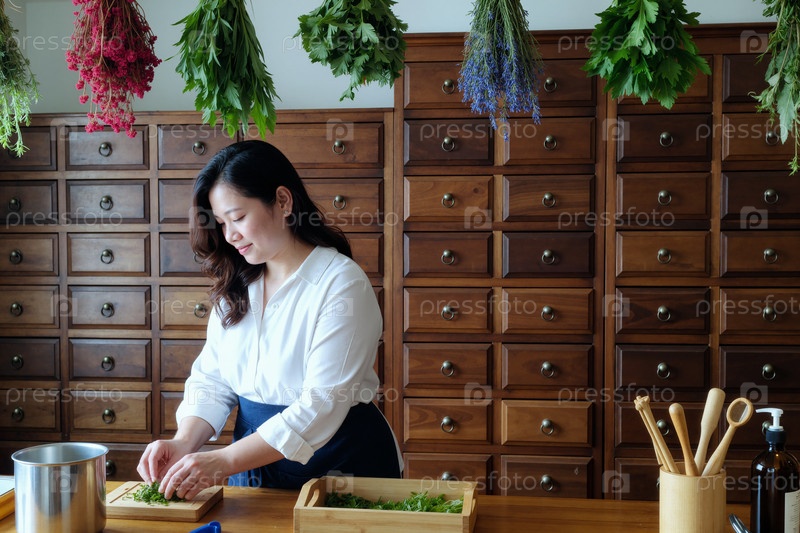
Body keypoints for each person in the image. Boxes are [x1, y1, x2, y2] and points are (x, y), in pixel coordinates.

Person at [137, 140, 402, 500]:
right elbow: (213, 378)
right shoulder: (237, 283)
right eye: (221, 223)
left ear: (282, 201)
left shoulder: (341, 283)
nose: (230, 235)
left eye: (238, 218)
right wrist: (185, 441)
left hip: (341, 462)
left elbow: (321, 406)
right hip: (251, 464)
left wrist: (223, 461)